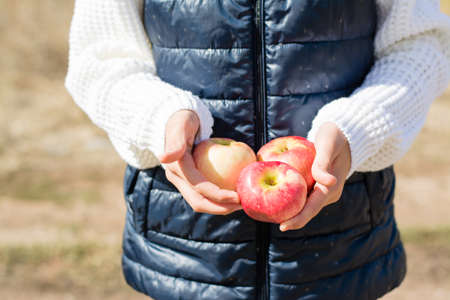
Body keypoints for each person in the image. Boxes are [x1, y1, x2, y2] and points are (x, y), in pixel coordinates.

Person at [65, 0, 450, 299]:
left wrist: (356, 129)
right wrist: (161, 118)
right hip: (183, 251)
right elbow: (100, 59)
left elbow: (421, 44)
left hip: (340, 247)